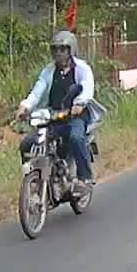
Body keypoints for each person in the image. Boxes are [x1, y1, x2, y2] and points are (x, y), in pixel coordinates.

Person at [16, 30, 97, 186]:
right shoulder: (49, 71)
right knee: (28, 143)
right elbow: (37, 90)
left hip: (76, 116)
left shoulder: (82, 69)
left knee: (76, 137)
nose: (58, 53)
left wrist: (79, 104)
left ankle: (85, 177)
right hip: (53, 116)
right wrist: (25, 106)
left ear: (71, 50)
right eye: (54, 49)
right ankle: (33, 178)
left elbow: (87, 88)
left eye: (62, 49)